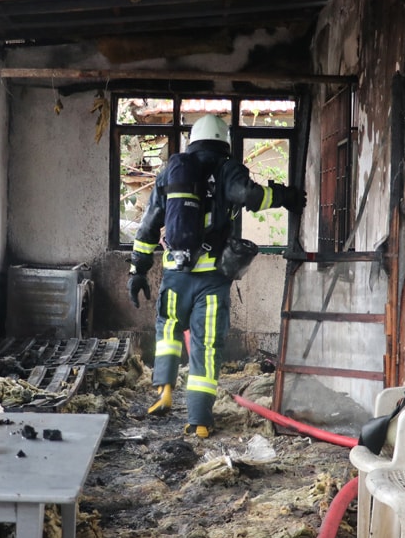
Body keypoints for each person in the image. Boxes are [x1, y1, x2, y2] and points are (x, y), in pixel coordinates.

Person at [126, 114, 306, 438]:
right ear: (224, 141)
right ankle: (199, 421)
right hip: (211, 278)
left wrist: (137, 269)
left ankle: (164, 390)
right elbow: (250, 195)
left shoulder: (172, 170)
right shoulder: (227, 168)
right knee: (206, 347)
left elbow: (150, 223)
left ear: (192, 139)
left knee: (167, 331)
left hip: (175, 274)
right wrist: (283, 197)